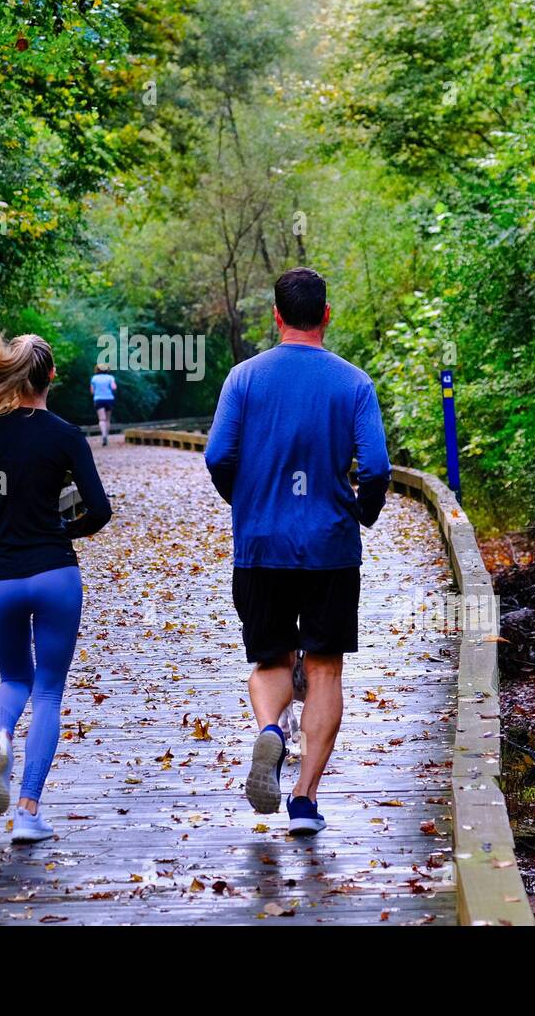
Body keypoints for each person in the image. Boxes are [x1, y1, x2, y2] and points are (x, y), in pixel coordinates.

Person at [204, 267, 391, 836]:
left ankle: (270, 732)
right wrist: (365, 512)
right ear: (326, 315)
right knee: (326, 670)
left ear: (277, 317)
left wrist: (245, 502)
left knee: (270, 661)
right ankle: (305, 800)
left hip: (260, 544)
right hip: (331, 547)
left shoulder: (243, 378)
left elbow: (217, 457)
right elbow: (377, 467)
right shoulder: (353, 383)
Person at [0, 329, 112, 843]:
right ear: (51, 376)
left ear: (11, 373)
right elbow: (99, 511)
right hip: (55, 573)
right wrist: (64, 531)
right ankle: (28, 811)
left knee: (14, 680)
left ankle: (0, 737)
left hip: (1, 577)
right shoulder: (65, 435)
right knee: (50, 692)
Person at [89, 367, 117, 445]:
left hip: (98, 399)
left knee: (102, 419)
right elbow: (114, 387)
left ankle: (103, 435)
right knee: (108, 419)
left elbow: (92, 391)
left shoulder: (94, 378)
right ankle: (106, 436)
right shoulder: (110, 377)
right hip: (109, 399)